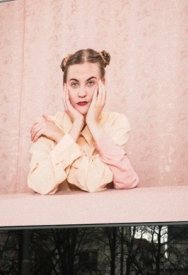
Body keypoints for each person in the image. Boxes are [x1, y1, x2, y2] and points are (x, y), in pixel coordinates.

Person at [27, 48, 139, 195]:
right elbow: (39, 184)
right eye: (74, 84)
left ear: (102, 84)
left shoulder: (116, 123)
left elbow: (98, 182)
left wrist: (64, 136)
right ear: (64, 87)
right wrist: (75, 128)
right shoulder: (48, 124)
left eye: (90, 83)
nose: (82, 93)